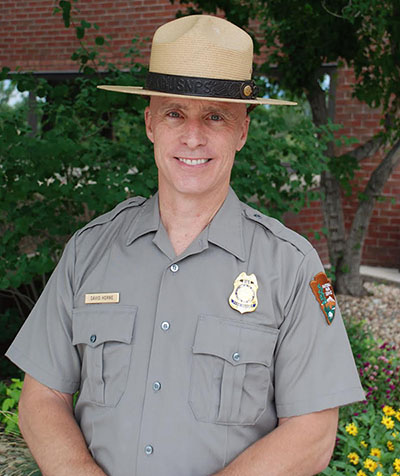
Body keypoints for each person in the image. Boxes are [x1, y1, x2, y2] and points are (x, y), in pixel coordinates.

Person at [6, 14, 364, 476]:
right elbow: (42, 399)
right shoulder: (88, 251)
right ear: (151, 122)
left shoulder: (291, 267)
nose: (193, 136)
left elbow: (313, 432)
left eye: (215, 116)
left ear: (243, 131)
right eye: (175, 112)